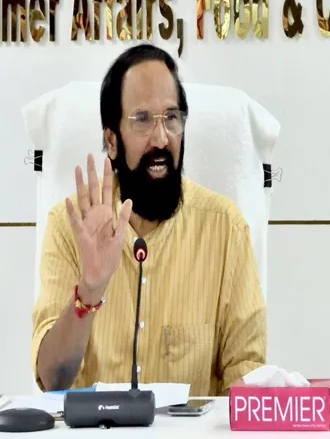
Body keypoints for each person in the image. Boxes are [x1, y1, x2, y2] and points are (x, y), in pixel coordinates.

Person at [31, 44, 266, 396]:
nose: (161, 138)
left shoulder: (226, 229)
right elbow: (53, 380)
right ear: (112, 140)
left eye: (171, 118)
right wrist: (90, 290)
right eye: (142, 120)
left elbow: (247, 377)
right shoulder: (70, 228)